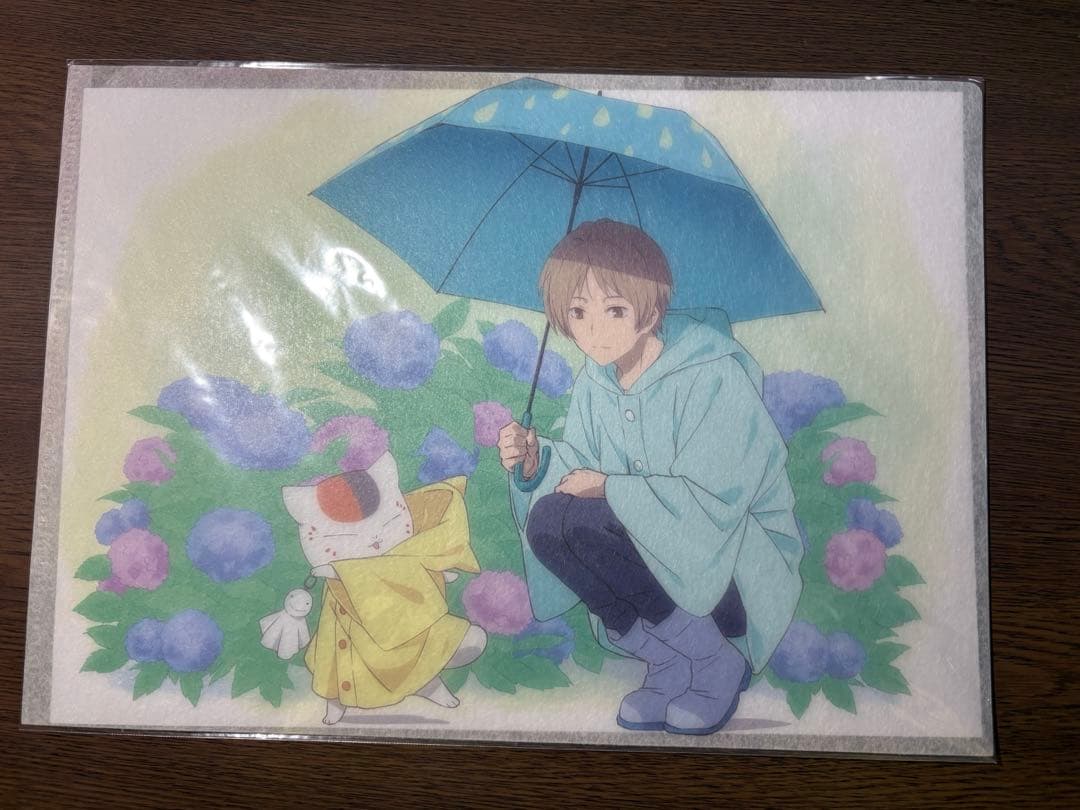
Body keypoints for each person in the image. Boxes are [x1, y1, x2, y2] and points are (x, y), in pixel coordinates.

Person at [498, 219, 803, 735]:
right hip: (654, 564)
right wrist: (535, 464)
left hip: (730, 568)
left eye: (615, 310)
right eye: (578, 312)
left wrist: (611, 488)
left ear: (652, 312)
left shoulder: (713, 376)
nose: (594, 330)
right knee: (549, 520)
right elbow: (580, 465)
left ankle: (715, 659)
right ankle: (667, 660)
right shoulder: (596, 382)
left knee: (592, 520)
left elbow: (718, 500)